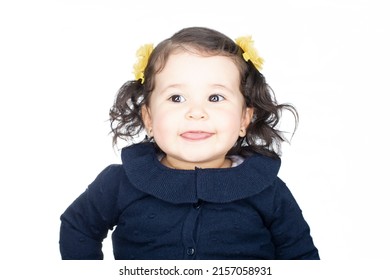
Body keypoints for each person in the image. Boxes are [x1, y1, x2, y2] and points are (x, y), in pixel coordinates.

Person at [59, 27, 319, 260]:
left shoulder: (268, 189)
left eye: (215, 97)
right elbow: (77, 227)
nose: (196, 112)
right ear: (148, 117)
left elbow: (301, 257)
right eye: (176, 98)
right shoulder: (120, 182)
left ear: (244, 118)